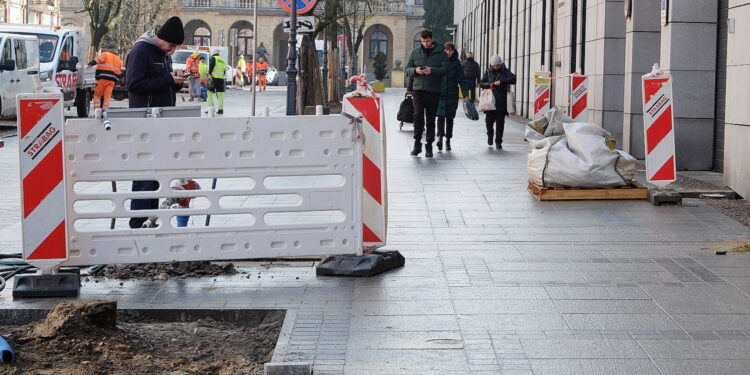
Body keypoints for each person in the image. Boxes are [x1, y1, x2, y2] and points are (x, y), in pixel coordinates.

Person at [125, 15, 185, 229]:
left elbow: (159, 82)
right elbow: (133, 84)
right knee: (144, 174)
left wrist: (175, 82)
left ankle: (149, 221)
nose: (172, 50)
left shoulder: (162, 54)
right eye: (171, 45)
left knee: (155, 175)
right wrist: (169, 80)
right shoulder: (141, 51)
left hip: (160, 122)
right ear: (162, 38)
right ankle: (138, 222)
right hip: (145, 121)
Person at [405, 29, 447, 158]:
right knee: (418, 116)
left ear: (432, 39)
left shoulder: (441, 53)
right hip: (418, 89)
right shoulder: (415, 52)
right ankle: (417, 144)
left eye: (427, 41)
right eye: (423, 41)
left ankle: (429, 145)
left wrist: (432, 70)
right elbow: (407, 69)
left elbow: (446, 70)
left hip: (434, 90)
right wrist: (416, 70)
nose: (425, 43)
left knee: (430, 119)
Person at [436, 42, 469, 152]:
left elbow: (462, 79)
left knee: (450, 118)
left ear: (454, 51)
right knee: (440, 117)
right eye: (447, 50)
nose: (449, 52)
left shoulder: (456, 63)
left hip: (452, 94)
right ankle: (440, 138)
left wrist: (465, 94)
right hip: (440, 94)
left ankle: (448, 140)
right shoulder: (439, 60)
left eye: (451, 50)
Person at [479, 55, 516, 149]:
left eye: (497, 65)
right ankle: (490, 136)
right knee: (488, 122)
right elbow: (481, 83)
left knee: (500, 123)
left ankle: (498, 141)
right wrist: (489, 84)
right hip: (489, 102)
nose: (495, 67)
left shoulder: (505, 71)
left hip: (501, 101)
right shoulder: (488, 71)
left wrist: (502, 81)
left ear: (501, 64)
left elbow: (513, 79)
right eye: (494, 65)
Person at [89, 42, 122, 113]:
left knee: (97, 95)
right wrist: (117, 81)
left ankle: (97, 110)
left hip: (103, 78)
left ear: (108, 48)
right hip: (112, 81)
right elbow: (119, 72)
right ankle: (105, 110)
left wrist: (90, 64)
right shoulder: (118, 59)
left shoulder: (105, 54)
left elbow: (98, 60)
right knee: (107, 96)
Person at [207, 48, 227, 115]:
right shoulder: (223, 60)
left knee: (209, 93)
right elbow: (224, 71)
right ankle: (220, 110)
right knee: (220, 94)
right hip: (221, 79)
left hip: (214, 79)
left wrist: (209, 74)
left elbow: (210, 68)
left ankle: (211, 108)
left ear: (213, 53)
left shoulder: (213, 58)